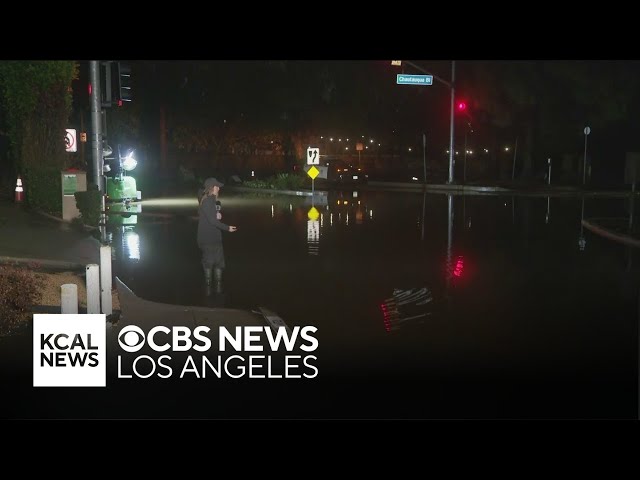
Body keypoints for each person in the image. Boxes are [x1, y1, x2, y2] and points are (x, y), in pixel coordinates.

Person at [197, 177, 237, 293]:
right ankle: (209, 291)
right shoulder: (208, 201)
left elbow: (212, 217)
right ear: (212, 188)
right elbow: (212, 221)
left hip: (214, 238)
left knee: (219, 263)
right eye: (217, 186)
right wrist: (227, 227)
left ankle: (217, 292)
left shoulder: (211, 201)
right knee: (209, 263)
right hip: (208, 239)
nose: (219, 188)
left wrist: (217, 215)